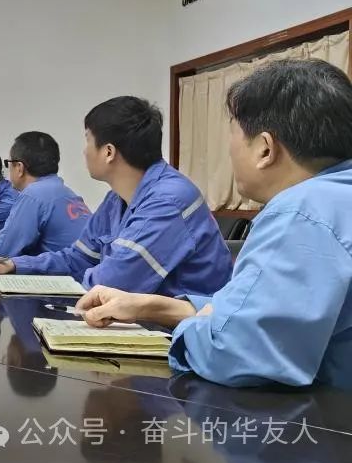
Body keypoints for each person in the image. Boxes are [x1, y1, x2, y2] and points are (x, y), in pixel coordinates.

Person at [76, 60, 352, 387]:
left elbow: (238, 354)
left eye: (233, 135)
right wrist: (151, 306)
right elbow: (241, 313)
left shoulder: (301, 213)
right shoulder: (334, 197)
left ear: (265, 149)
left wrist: (190, 328)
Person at [0, 96, 231, 298]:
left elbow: (114, 283)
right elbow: (78, 258)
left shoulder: (168, 200)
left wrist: (54, 285)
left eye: (87, 140)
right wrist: (16, 266)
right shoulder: (116, 199)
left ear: (108, 152)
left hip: (181, 336)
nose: (84, 151)